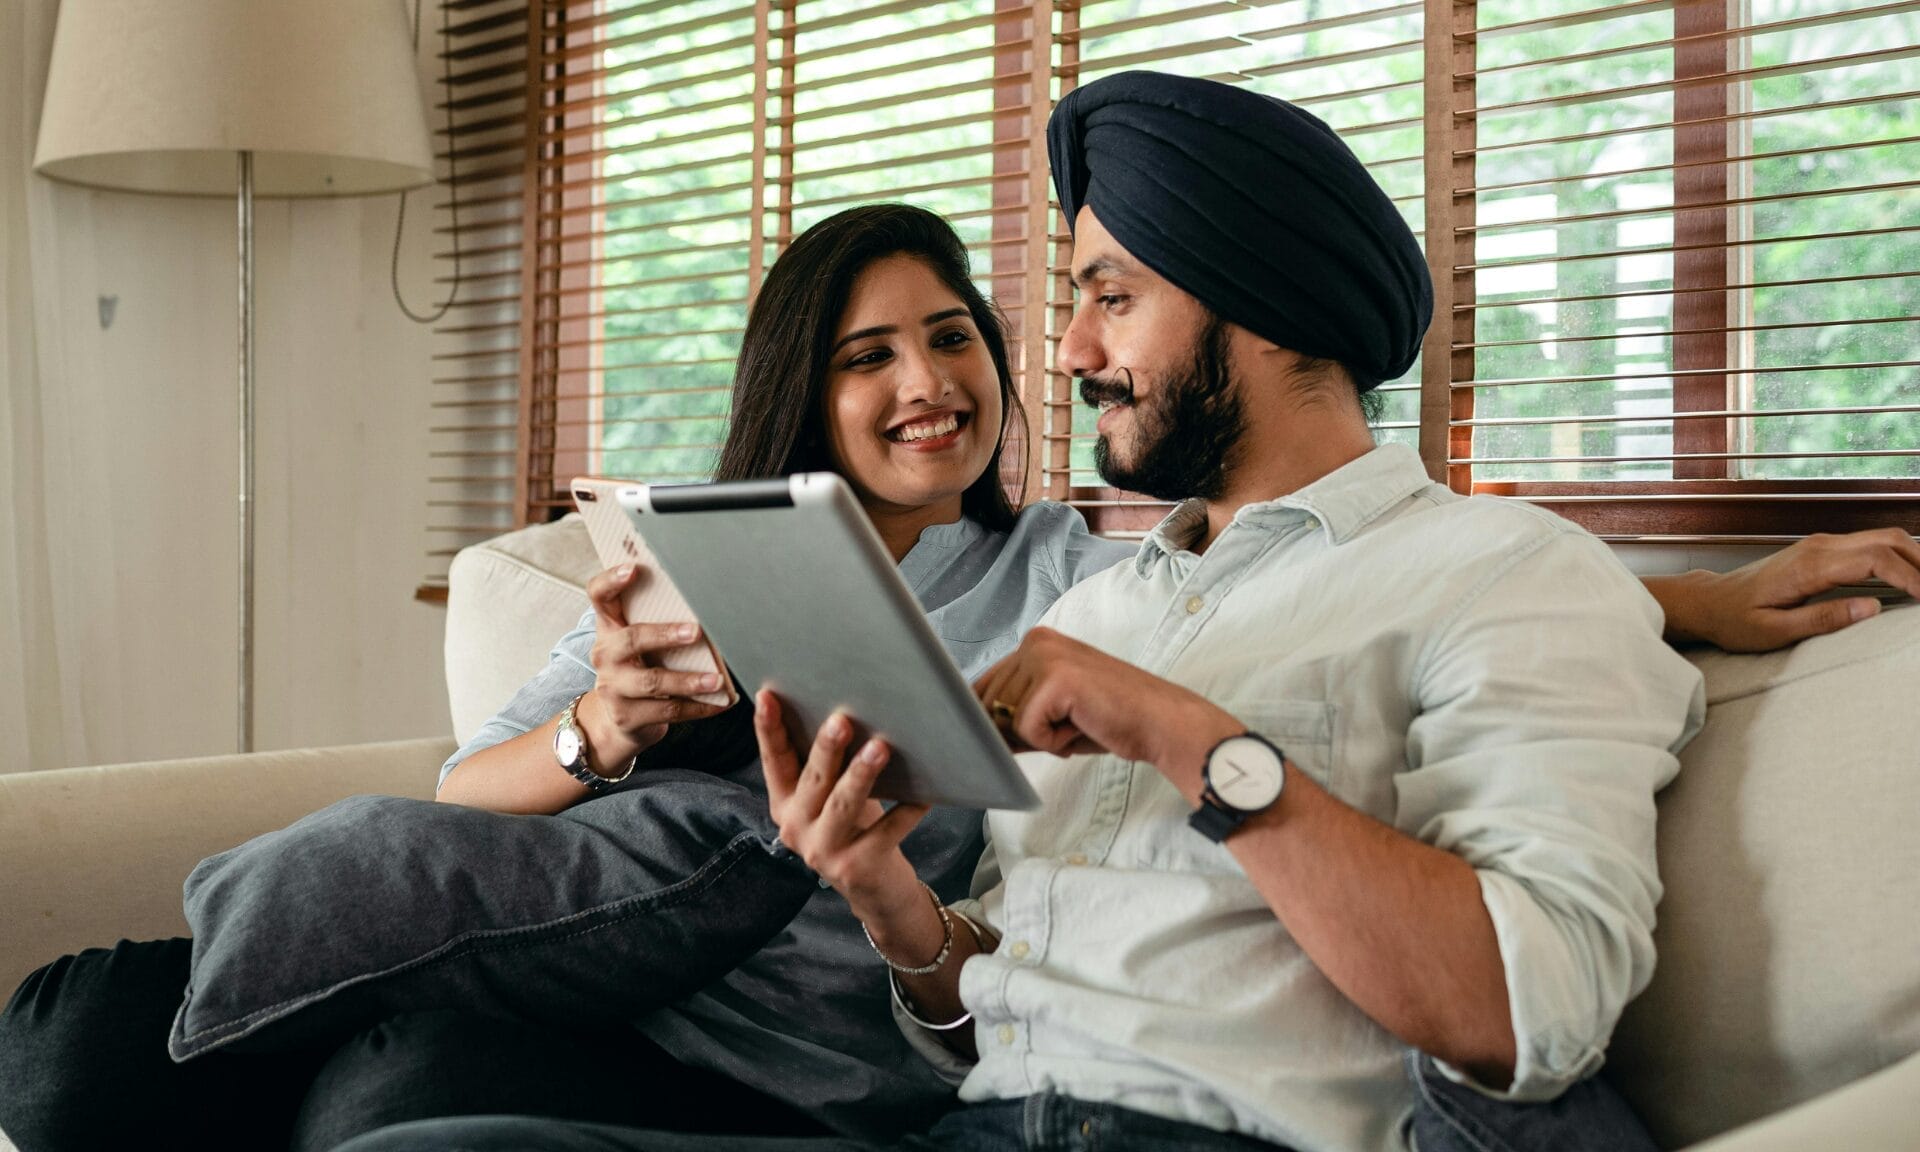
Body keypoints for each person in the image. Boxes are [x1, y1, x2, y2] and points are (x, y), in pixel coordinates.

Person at [3, 138, 1915, 1152]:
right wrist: (613, 717)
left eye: (987, 327)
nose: (961, 377)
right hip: (675, 963)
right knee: (201, 1051)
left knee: (346, 1098)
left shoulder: (1082, 568)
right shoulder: (1013, 571)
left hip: (828, 1034)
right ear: (802, 398)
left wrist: (1705, 589)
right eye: (869, 356)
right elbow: (468, 787)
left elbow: (1395, 557)